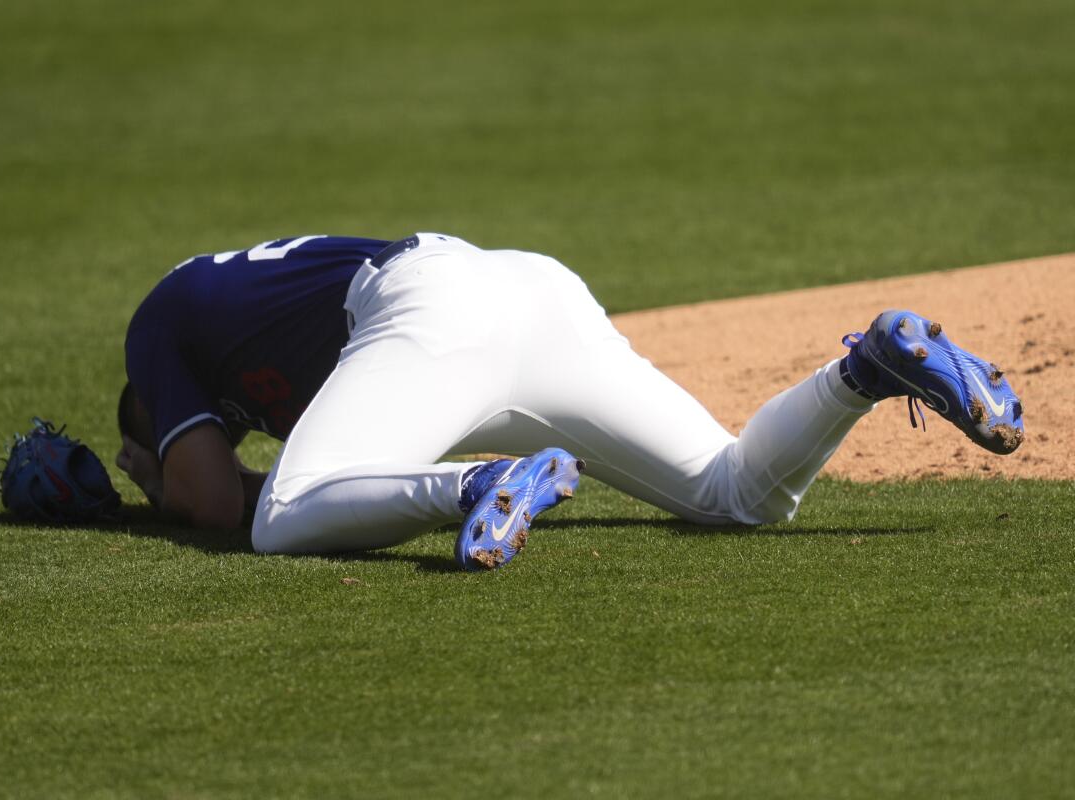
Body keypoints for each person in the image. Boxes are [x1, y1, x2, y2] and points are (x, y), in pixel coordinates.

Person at [115, 233, 1024, 570]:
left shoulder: (159, 324)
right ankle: (865, 368)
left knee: (281, 520)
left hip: (431, 311)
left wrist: (143, 474)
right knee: (737, 491)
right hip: (527, 289)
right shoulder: (233, 321)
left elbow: (212, 500)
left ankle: (475, 488)